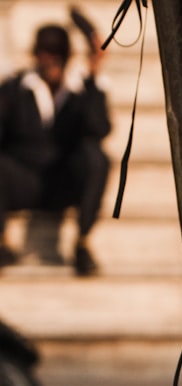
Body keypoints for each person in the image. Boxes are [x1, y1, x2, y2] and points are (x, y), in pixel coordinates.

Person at [0, 22, 111, 276]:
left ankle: (82, 243)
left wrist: (93, 75)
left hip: (63, 184)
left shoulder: (82, 92)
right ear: (36, 55)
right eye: (45, 54)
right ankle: (1, 240)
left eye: (57, 55)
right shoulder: (15, 89)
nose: (51, 61)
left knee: (96, 158)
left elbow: (100, 130)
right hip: (22, 182)